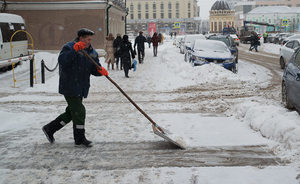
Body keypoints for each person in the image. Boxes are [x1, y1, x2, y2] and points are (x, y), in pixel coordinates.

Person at [42, 28, 108, 147]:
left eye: (90, 39)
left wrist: (100, 71)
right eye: (87, 39)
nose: (89, 41)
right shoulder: (69, 47)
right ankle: (79, 138)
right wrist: (74, 50)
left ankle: (50, 129)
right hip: (70, 85)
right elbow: (63, 61)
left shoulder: (91, 51)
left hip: (82, 86)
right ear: (81, 38)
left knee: (72, 113)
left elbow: (94, 68)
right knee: (80, 111)